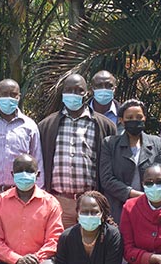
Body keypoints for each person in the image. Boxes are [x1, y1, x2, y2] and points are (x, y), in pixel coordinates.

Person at [38, 73, 116, 227]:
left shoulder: (104, 125)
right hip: (58, 202)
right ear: (62, 93)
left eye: (78, 90)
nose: (73, 94)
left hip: (91, 204)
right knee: (60, 248)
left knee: (91, 248)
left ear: (86, 93)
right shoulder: (46, 125)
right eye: (69, 90)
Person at [99, 99, 161, 222]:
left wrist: (151, 195)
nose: (134, 120)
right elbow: (106, 179)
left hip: (150, 206)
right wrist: (133, 194)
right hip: (118, 208)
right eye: (129, 117)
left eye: (139, 117)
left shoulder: (157, 143)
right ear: (121, 120)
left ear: (144, 118)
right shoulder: (109, 144)